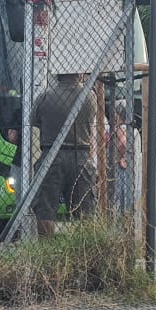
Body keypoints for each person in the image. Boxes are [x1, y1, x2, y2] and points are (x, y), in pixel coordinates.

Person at [33, 71, 98, 237]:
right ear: (79, 73)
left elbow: (35, 121)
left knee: (46, 207)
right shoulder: (89, 96)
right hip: (80, 154)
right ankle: (85, 248)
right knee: (85, 208)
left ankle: (46, 246)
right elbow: (91, 120)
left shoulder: (45, 97)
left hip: (51, 153)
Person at [106, 98, 135, 217]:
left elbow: (123, 143)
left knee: (117, 194)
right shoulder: (128, 128)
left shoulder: (120, 129)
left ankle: (118, 217)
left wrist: (117, 157)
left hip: (119, 167)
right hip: (125, 167)